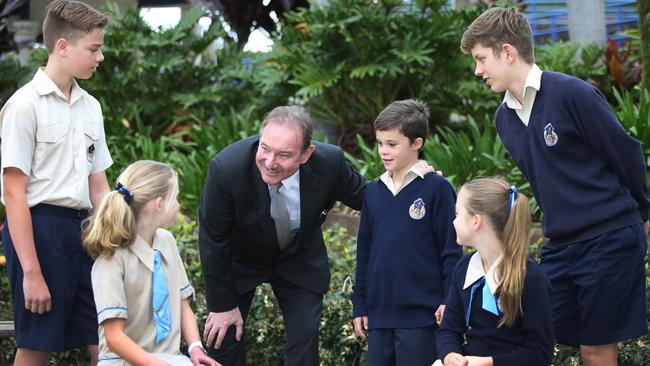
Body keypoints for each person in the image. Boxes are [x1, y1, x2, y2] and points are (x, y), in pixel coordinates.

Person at [460, 7, 649, 366]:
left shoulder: (571, 94)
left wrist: (643, 212)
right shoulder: (504, 119)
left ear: (508, 52)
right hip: (561, 244)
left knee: (595, 349)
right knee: (541, 339)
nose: (477, 70)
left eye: (482, 59)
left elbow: (625, 154)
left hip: (608, 236)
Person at [198, 106, 366, 365]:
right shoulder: (226, 169)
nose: (270, 161)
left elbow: (369, 199)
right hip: (240, 258)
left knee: (304, 339)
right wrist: (221, 307)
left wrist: (414, 184)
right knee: (223, 335)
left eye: (284, 155)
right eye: (265, 148)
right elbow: (213, 240)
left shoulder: (330, 162)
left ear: (306, 154)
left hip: (298, 258)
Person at [0, 1, 112, 364]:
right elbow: (13, 193)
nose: (101, 57)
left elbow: (100, 189)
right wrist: (31, 272)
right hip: (39, 230)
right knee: (37, 347)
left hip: (86, 232)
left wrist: (117, 242)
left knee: (107, 341)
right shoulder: (24, 105)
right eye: (93, 48)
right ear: (62, 46)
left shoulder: (91, 106)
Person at [350, 99, 462, 365]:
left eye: (392, 144)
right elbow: (364, 252)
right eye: (379, 143)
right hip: (379, 317)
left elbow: (451, 251)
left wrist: (449, 301)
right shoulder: (373, 192)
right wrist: (360, 305)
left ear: (417, 143)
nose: (383, 151)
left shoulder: (437, 189)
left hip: (422, 317)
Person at [83, 160, 220, 366]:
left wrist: (195, 348)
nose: (179, 205)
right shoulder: (111, 260)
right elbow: (114, 337)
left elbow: (182, 304)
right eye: (175, 199)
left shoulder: (167, 241)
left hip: (168, 358)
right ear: (158, 205)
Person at [436, 178, 553, 366]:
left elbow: (540, 352)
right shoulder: (464, 268)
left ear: (475, 221)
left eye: (457, 214)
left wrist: (489, 363)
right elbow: (448, 329)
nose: (454, 221)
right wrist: (450, 354)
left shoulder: (530, 278)